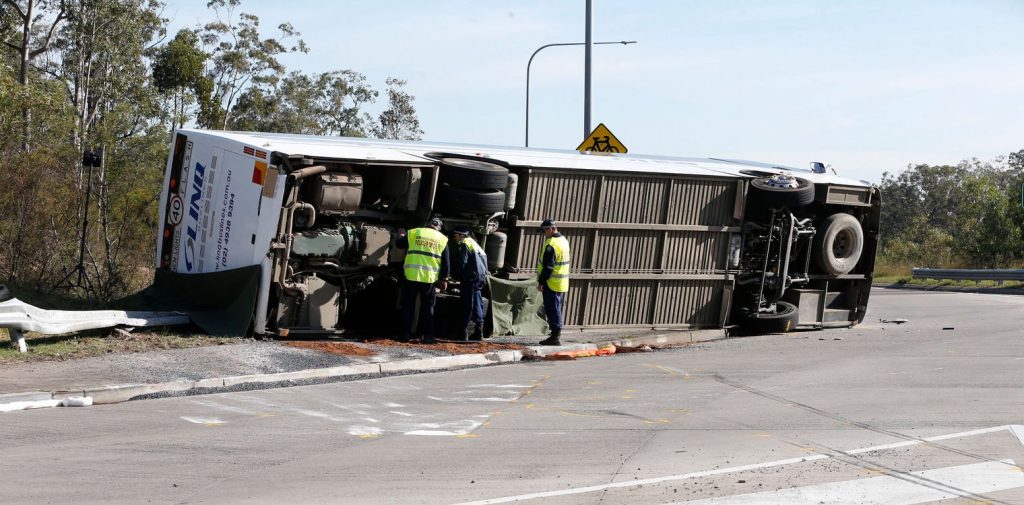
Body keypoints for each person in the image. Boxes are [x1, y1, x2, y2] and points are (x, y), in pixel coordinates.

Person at [396, 217, 449, 344]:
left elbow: (399, 244)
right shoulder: (442, 239)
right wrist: (444, 279)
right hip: (429, 279)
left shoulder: (415, 232)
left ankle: (405, 334)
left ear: (428, 224)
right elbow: (446, 262)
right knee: (428, 308)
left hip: (411, 276)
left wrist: (401, 234)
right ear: (439, 227)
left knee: (408, 306)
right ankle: (428, 336)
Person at [451, 225, 488, 341]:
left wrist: (456, 275)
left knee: (467, 304)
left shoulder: (464, 243)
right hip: (479, 278)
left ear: (461, 235)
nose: (454, 238)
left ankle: (463, 333)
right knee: (478, 303)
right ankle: (479, 332)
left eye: (455, 235)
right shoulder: (475, 244)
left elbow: (462, 261)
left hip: (469, 279)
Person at [536, 219, 570, 345]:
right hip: (561, 282)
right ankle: (555, 334)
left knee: (552, 309)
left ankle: (555, 337)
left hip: (551, 282)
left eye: (544, 231)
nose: (543, 234)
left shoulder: (552, 244)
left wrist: (541, 282)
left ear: (550, 229)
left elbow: (548, 267)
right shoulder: (563, 241)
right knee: (556, 308)